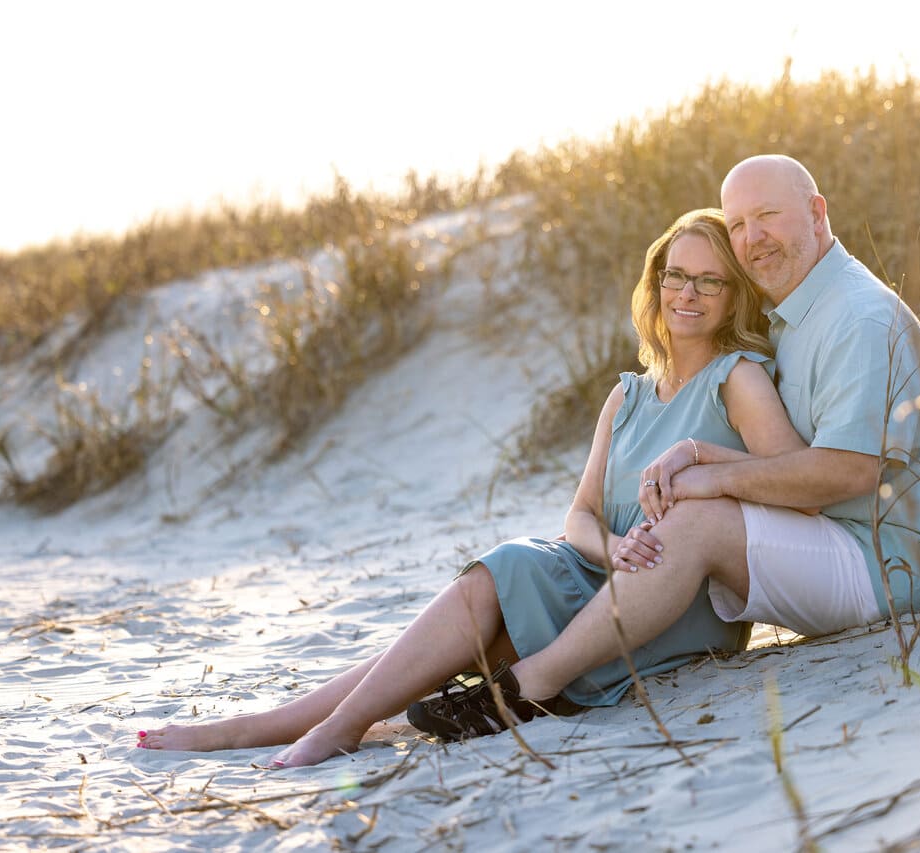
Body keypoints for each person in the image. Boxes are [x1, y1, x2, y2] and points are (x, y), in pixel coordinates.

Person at [136, 208, 812, 766]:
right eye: (675, 275)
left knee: (481, 607)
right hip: (595, 568)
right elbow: (578, 516)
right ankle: (287, 723)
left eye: (709, 281)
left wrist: (701, 474)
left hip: (669, 601)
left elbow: (791, 480)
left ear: (734, 296)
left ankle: (305, 726)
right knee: (476, 602)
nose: (687, 294)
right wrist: (609, 546)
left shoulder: (739, 378)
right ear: (655, 282)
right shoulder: (628, 394)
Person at [400, 154, 920, 743]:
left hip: (887, 566)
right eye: (739, 223)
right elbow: (796, 465)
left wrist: (712, 478)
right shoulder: (799, 314)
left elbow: (848, 474)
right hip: (839, 537)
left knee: (697, 522)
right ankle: (379, 704)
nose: (751, 238)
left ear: (817, 213)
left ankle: (531, 687)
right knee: (538, 572)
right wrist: (703, 454)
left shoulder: (855, 317)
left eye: (768, 216)